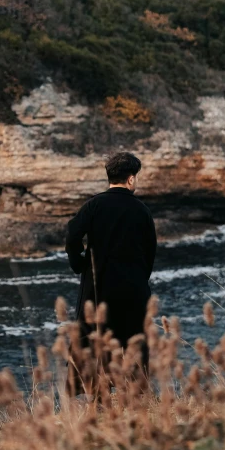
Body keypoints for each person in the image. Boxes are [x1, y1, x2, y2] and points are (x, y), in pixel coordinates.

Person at [65, 151, 157, 366]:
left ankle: (95, 394)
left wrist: (79, 264)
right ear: (131, 178)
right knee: (133, 339)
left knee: (92, 338)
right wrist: (140, 278)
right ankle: (133, 392)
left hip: (97, 284)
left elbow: (72, 235)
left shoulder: (93, 205)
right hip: (132, 287)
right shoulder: (142, 210)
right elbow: (150, 251)